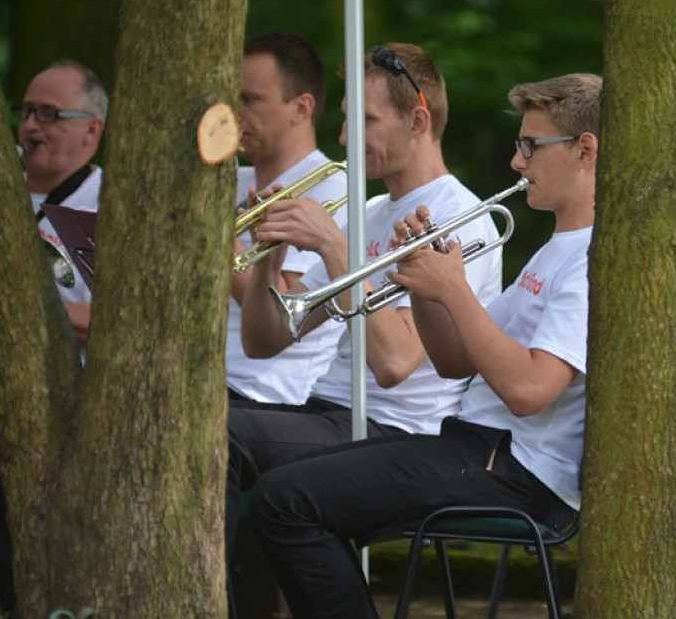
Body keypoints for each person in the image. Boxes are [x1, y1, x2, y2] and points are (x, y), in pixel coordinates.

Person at [246, 72, 601, 619]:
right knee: (281, 488)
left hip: (518, 470)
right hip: (478, 449)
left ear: (585, 151)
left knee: (284, 500)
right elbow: (454, 359)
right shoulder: (558, 248)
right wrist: (425, 282)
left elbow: (529, 391)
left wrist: (453, 289)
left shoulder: (587, 259)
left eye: (531, 146)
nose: (517, 162)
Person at [226, 43, 503, 585]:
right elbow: (264, 341)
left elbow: (395, 362)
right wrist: (268, 258)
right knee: (202, 418)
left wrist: (336, 247)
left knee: (222, 431)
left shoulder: (461, 217)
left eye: (366, 121)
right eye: (347, 119)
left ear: (417, 121)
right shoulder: (371, 212)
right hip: (327, 411)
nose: (346, 138)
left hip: (396, 428)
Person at [0, 60, 109, 618]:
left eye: (50, 115)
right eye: (26, 112)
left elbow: (118, 320)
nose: (30, 126)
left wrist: (16, 309)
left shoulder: (112, 205)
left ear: (91, 130)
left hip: (68, 390)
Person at [227, 32, 347, 409]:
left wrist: (215, 233)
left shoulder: (330, 187)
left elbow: (282, 308)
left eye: (250, 100)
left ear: (300, 109)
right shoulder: (230, 180)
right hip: (209, 377)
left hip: (267, 392)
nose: (234, 114)